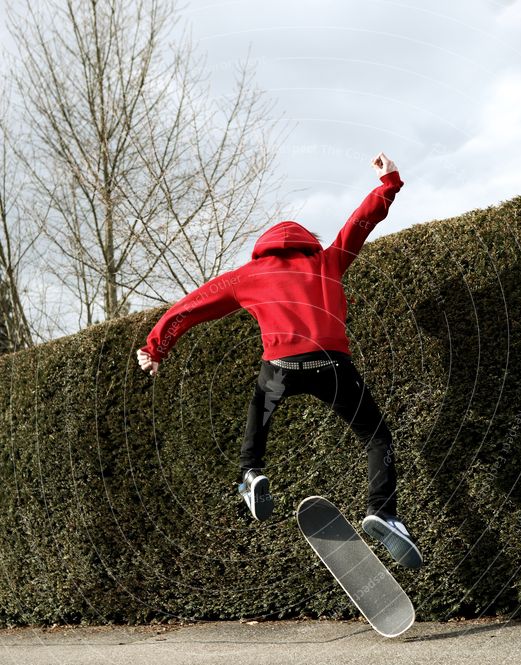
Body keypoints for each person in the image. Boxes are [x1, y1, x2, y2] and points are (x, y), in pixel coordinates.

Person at [138, 152, 422, 569]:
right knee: (376, 436)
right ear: (307, 241)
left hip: (281, 368)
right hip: (332, 364)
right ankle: (383, 511)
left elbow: (194, 304)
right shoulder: (327, 260)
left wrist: (157, 345)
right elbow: (360, 223)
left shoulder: (247, 276)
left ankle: (251, 473)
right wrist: (388, 183)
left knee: (260, 413)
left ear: (262, 249)